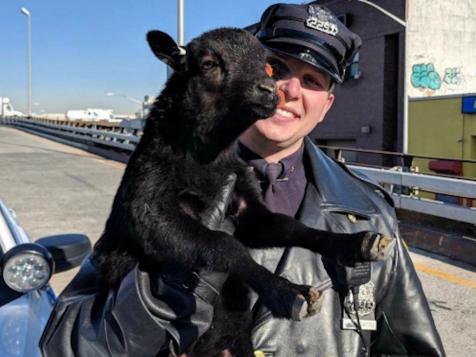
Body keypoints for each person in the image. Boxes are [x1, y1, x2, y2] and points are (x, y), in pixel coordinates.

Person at [40, 3, 445, 357]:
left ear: (326, 106)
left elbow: (412, 348)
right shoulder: (155, 180)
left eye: (312, 81)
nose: (285, 89)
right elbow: (65, 344)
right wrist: (156, 299)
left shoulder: (368, 215)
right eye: (274, 67)